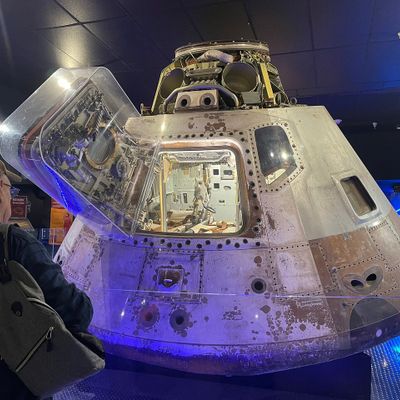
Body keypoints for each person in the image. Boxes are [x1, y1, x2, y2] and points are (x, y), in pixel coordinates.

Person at [0, 160, 94, 399]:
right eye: (9, 189)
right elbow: (75, 310)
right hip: (17, 382)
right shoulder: (15, 244)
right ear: (0, 190)